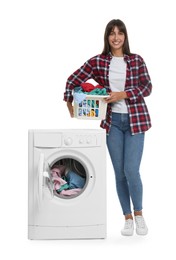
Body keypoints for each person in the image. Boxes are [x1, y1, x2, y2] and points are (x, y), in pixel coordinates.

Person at [63, 19, 152, 236]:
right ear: (107, 37)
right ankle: (127, 218)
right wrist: (69, 101)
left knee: (131, 170)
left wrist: (124, 94)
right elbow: (73, 78)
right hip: (112, 123)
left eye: (120, 33)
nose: (116, 37)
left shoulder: (136, 60)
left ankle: (139, 214)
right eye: (112, 33)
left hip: (135, 121)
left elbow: (147, 86)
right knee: (119, 174)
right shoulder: (99, 62)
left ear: (125, 36)